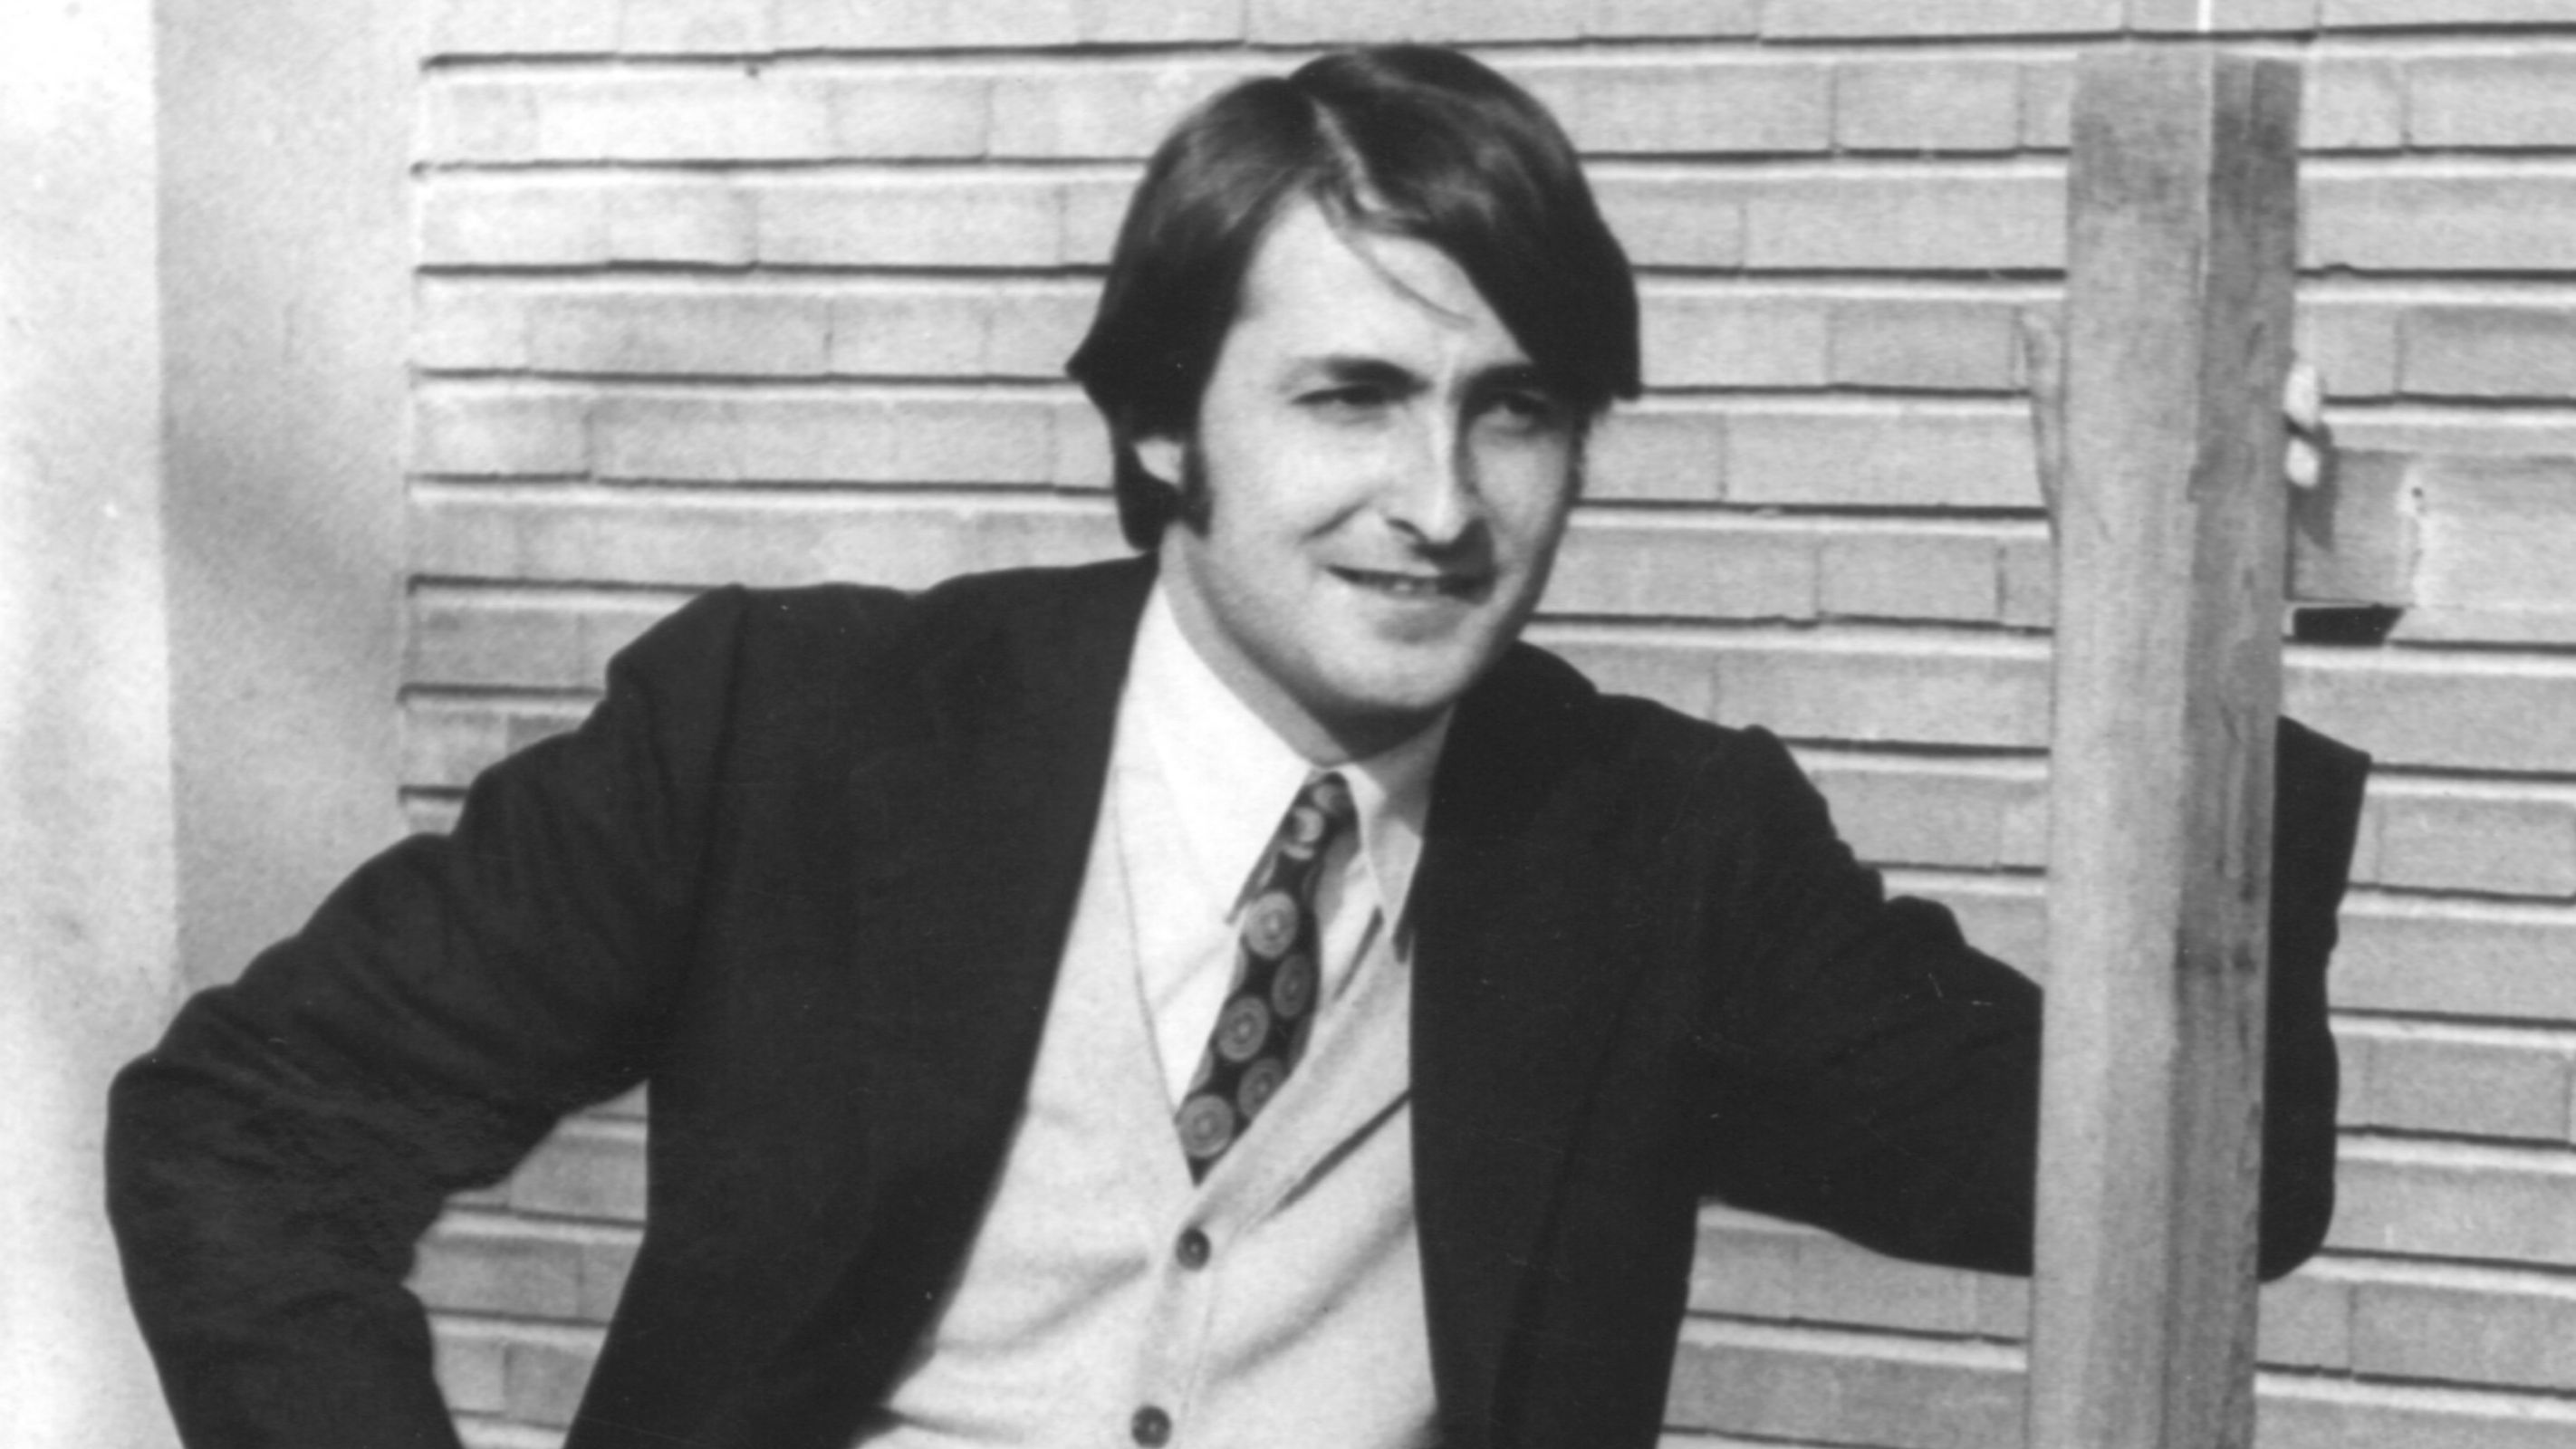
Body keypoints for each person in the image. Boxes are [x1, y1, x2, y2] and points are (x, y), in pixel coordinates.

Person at [108, 45, 2369, 1449]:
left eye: (1515, 411)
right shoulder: (788, 730)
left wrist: (2216, 627)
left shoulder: (1657, 845)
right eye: (1351, 396)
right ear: (1164, 426)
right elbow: (249, 1122)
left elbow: (2202, 1191)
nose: (1440, 502)